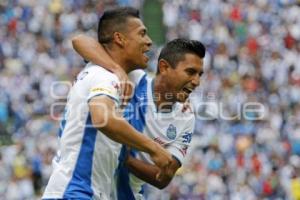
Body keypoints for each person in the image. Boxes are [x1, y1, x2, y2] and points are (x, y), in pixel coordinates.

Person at [42, 7, 173, 200]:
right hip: (74, 193)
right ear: (120, 39)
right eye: (142, 34)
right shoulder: (104, 76)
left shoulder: (118, 75)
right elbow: (102, 118)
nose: (149, 41)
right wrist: (154, 149)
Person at [72, 36, 205, 200]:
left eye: (200, 74)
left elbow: (163, 178)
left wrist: (127, 160)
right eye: (190, 72)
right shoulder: (134, 78)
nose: (197, 81)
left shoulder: (186, 118)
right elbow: (80, 41)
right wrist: (117, 69)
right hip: (87, 189)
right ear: (164, 67)